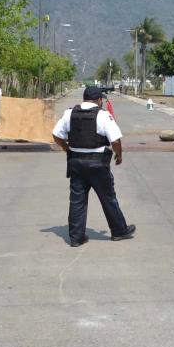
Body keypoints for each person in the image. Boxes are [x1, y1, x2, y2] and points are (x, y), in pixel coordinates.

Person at [52, 86, 135, 247]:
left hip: (76, 162)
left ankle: (76, 238)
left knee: (77, 200)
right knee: (108, 198)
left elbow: (56, 135)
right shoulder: (103, 115)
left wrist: (67, 148)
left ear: (84, 98)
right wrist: (119, 155)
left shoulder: (69, 113)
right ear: (99, 100)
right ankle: (119, 231)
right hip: (98, 164)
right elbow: (116, 140)